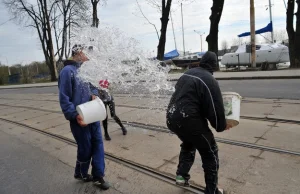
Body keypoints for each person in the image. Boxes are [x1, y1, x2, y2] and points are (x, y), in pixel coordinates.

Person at [166, 51, 231, 194]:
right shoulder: (209, 80)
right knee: (210, 153)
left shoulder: (188, 73)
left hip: (172, 117)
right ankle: (212, 190)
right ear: (214, 65)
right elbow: (215, 109)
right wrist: (221, 125)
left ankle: (181, 176)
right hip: (189, 120)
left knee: (189, 142)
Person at [58, 45, 109, 190]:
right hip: (79, 118)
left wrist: (94, 94)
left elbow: (93, 87)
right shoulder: (67, 72)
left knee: (98, 143)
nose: (89, 56)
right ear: (79, 53)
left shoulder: (86, 70)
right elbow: (64, 98)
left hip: (92, 113)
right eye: (86, 53)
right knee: (85, 148)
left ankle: (99, 176)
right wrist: (74, 115)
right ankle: (80, 173)